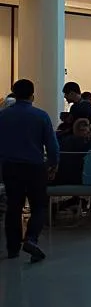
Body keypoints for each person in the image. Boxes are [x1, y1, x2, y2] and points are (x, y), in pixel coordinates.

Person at [0, 79, 59, 263]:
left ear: (13, 94)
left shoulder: (3, 116)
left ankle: (12, 248)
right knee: (39, 205)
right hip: (35, 166)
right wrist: (53, 163)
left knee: (14, 206)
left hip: (10, 167)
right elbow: (52, 144)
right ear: (32, 95)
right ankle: (31, 239)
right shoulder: (40, 116)